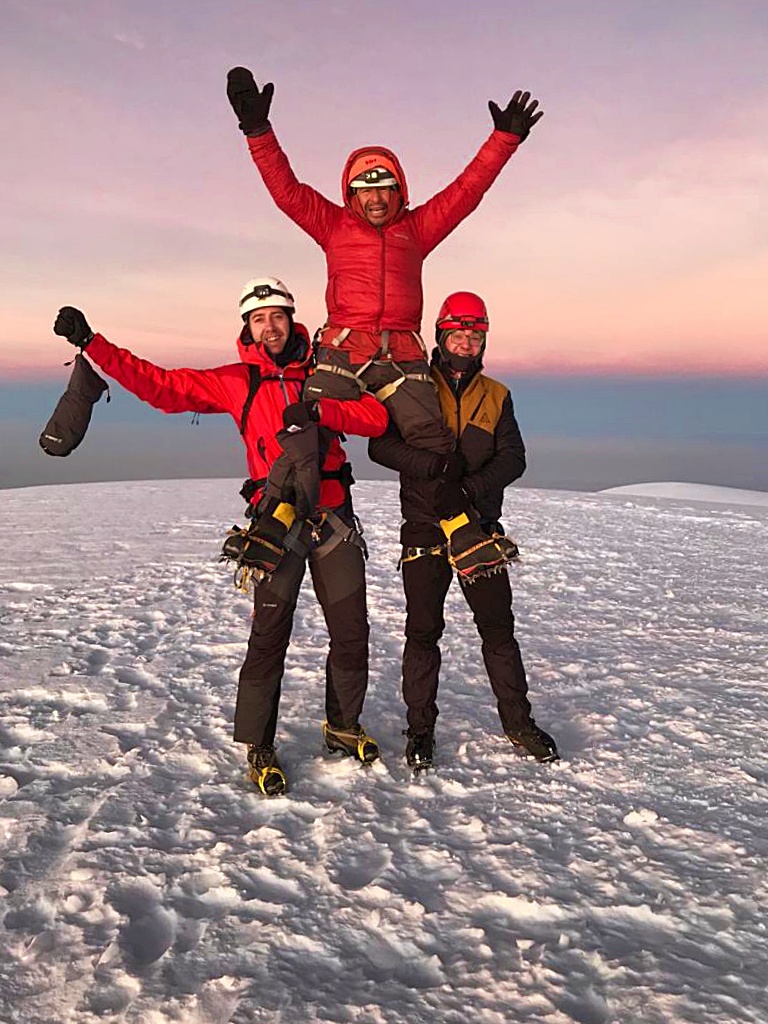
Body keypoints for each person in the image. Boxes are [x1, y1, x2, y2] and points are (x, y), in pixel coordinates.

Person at [52, 277, 389, 796]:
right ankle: (260, 744)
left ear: (291, 318)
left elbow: (375, 416)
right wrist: (93, 343)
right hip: (275, 524)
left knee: (351, 631)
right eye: (259, 319)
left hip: (333, 518)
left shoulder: (325, 375)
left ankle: (343, 725)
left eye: (277, 316)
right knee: (269, 637)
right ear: (248, 329)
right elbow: (161, 386)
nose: (270, 326)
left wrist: (323, 409)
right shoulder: (237, 381)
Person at [226, 67, 542, 581]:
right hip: (343, 350)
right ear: (350, 194)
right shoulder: (332, 223)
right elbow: (286, 191)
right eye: (364, 189)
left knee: (433, 442)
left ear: (399, 190)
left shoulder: (416, 230)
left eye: (385, 188)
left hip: (403, 354)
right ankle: (273, 519)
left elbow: (466, 191)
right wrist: (258, 132)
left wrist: (503, 139)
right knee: (306, 423)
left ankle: (462, 528)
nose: (375, 198)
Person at [368, 291, 559, 769]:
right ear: (441, 337)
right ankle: (420, 730)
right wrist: (434, 466)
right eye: (459, 334)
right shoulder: (413, 387)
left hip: (479, 529)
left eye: (476, 336)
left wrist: (468, 491)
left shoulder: (497, 395)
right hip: (424, 529)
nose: (468, 343)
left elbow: (513, 457)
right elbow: (381, 447)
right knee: (423, 630)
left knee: (498, 629)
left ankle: (518, 724)